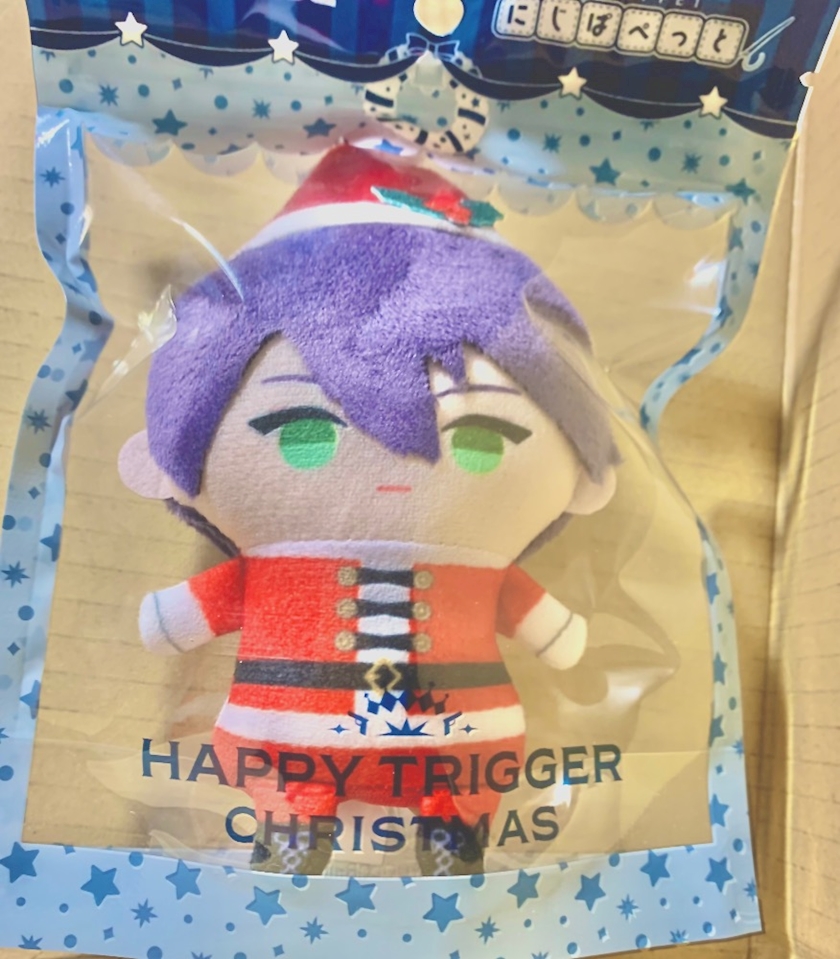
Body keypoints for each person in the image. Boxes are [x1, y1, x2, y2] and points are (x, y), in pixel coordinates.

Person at [119, 144, 618, 875]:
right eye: (305, 434)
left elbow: (533, 614)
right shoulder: (277, 564)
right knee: (299, 790)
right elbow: (207, 604)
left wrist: (168, 619)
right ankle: (296, 827)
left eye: (480, 440)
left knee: (453, 786)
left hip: (449, 742)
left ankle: (448, 834)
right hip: (307, 739)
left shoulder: (479, 570)